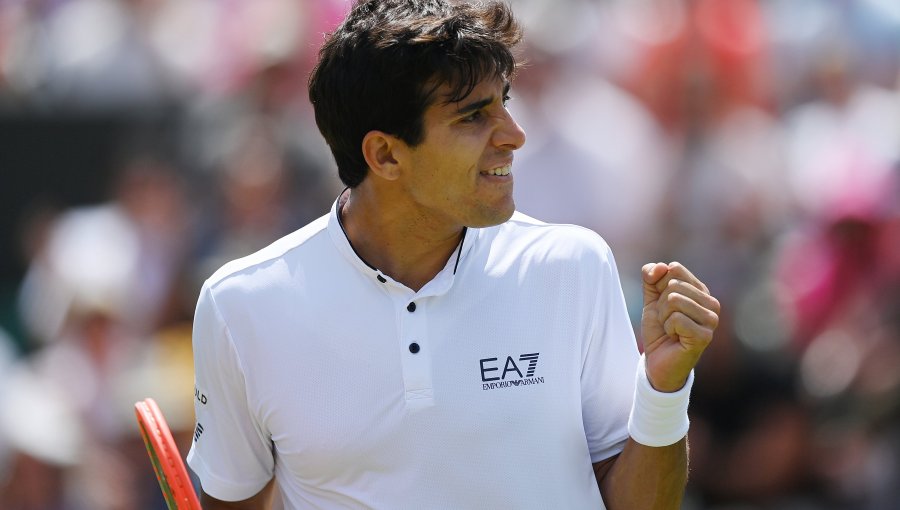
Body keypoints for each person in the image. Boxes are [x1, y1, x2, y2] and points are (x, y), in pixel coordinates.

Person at [186, 0, 721, 508]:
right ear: (386, 154)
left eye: (504, 103)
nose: (514, 136)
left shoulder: (573, 266)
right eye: (472, 116)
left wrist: (663, 389)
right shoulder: (240, 305)